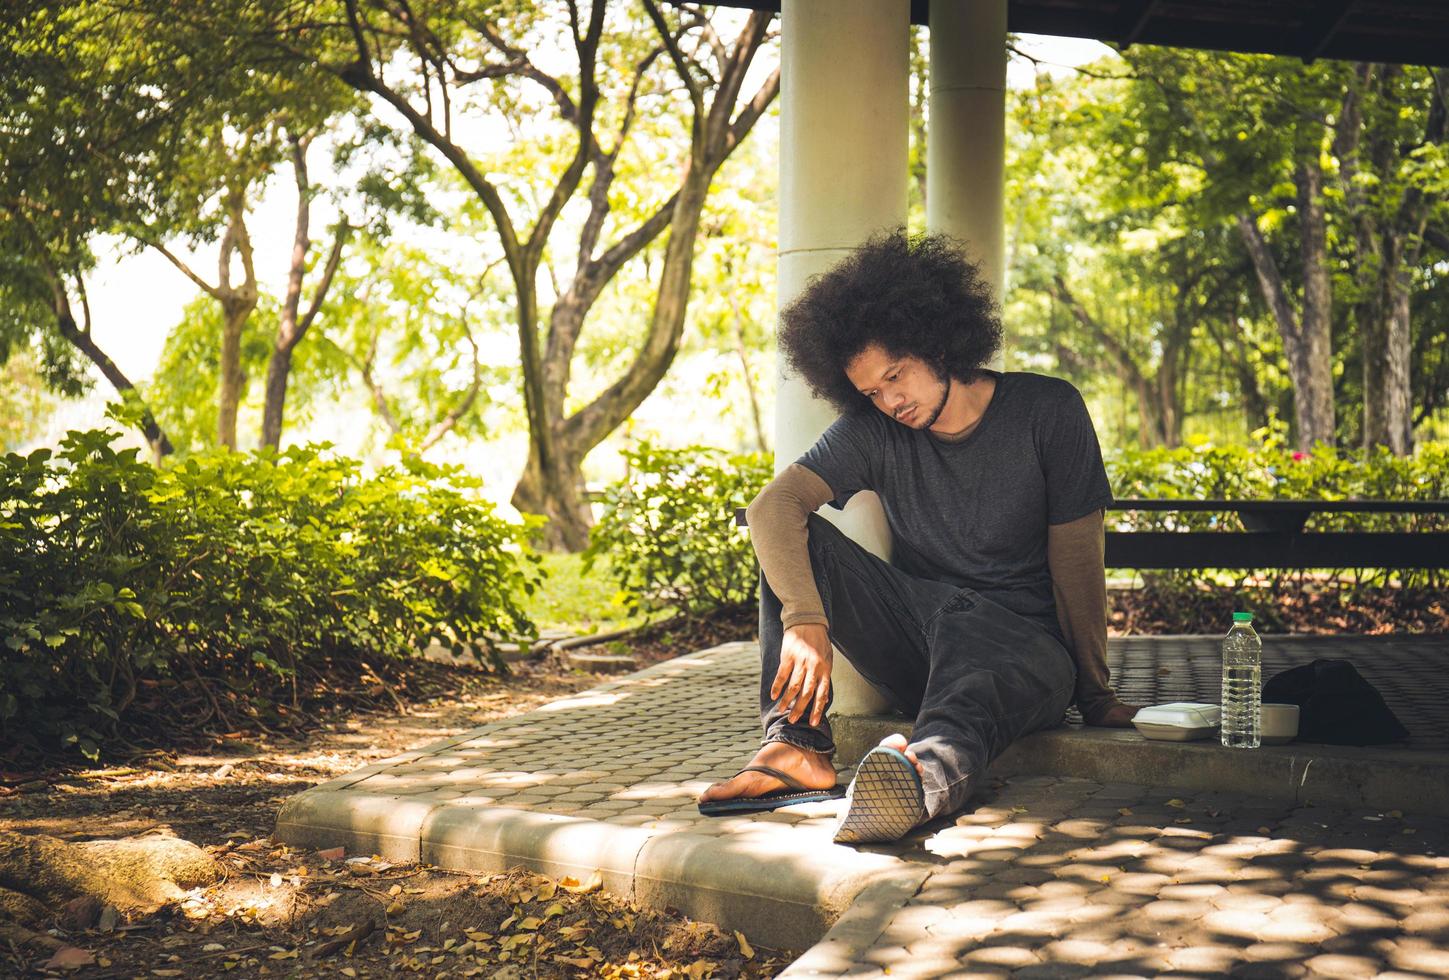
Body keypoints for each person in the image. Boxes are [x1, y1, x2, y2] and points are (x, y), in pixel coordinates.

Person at [696, 230, 1141, 844]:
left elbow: (1077, 561)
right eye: (871, 392)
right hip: (924, 630)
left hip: (1022, 647)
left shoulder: (1048, 410)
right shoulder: (873, 431)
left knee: (970, 694)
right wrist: (806, 619)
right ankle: (798, 747)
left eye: (896, 376)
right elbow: (773, 506)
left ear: (937, 341)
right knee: (792, 538)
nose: (890, 401)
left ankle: (914, 779)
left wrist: (1095, 694)